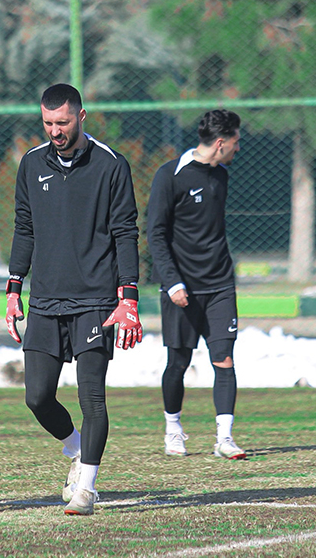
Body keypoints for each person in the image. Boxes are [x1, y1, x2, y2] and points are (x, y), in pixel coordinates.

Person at [5, 83, 142, 516]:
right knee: (37, 397)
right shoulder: (30, 164)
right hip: (46, 299)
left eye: (62, 122)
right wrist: (14, 288)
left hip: (95, 301)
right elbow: (24, 227)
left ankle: (86, 489)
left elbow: (125, 232)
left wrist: (129, 297)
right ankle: (76, 448)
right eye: (47, 123)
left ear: (81, 117)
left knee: (92, 399)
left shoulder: (110, 165)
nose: (55, 131)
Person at [146, 109, 245, 459]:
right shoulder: (170, 176)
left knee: (225, 359)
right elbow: (155, 234)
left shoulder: (223, 177)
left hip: (219, 285)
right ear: (220, 143)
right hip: (181, 289)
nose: (238, 148)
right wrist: (172, 282)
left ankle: (225, 438)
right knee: (178, 362)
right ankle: (173, 428)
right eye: (235, 142)